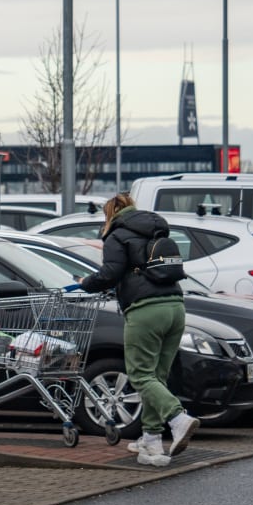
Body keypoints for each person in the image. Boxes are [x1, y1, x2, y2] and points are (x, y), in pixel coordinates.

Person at [77, 192, 198, 468]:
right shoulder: (155, 230)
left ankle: (178, 419)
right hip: (175, 307)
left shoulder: (116, 236)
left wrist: (86, 282)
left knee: (140, 374)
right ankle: (151, 441)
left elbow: (110, 272)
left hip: (145, 309)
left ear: (110, 215)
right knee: (157, 376)